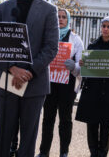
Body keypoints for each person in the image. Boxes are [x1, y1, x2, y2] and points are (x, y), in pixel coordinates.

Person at [0, 0, 59, 157]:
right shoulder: (2, 9)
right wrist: (13, 68)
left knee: (28, 138)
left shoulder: (49, 10)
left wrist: (28, 71)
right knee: (3, 135)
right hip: (7, 79)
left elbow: (51, 47)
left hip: (34, 81)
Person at [75, 16, 109, 157]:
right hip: (92, 91)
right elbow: (86, 72)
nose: (106, 29)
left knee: (105, 126)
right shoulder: (92, 46)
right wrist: (83, 65)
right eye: (104, 26)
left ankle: (102, 153)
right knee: (91, 125)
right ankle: (93, 153)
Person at [37, 8, 84, 157]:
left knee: (65, 120)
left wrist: (74, 67)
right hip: (49, 83)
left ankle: (64, 151)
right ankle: (44, 151)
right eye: (58, 17)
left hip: (67, 85)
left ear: (68, 20)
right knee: (47, 119)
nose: (61, 19)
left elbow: (82, 66)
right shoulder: (47, 37)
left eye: (64, 17)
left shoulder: (76, 39)